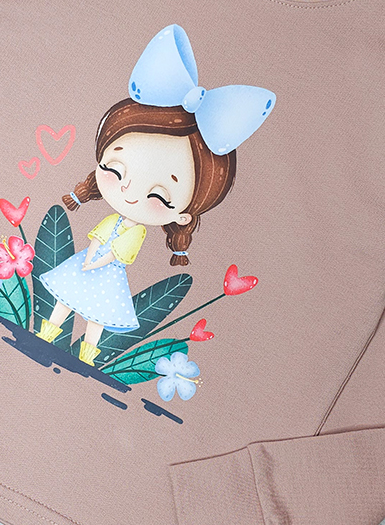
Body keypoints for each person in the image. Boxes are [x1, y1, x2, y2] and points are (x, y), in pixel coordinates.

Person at [37, 23, 274, 366]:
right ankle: (48, 333)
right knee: (65, 300)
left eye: (160, 197)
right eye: (115, 170)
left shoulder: (135, 232)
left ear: (184, 214)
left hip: (104, 274)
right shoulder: (114, 219)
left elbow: (116, 253)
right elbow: (97, 237)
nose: (128, 192)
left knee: (95, 317)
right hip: (88, 264)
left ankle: (87, 354)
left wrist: (94, 262)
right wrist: (89, 258)